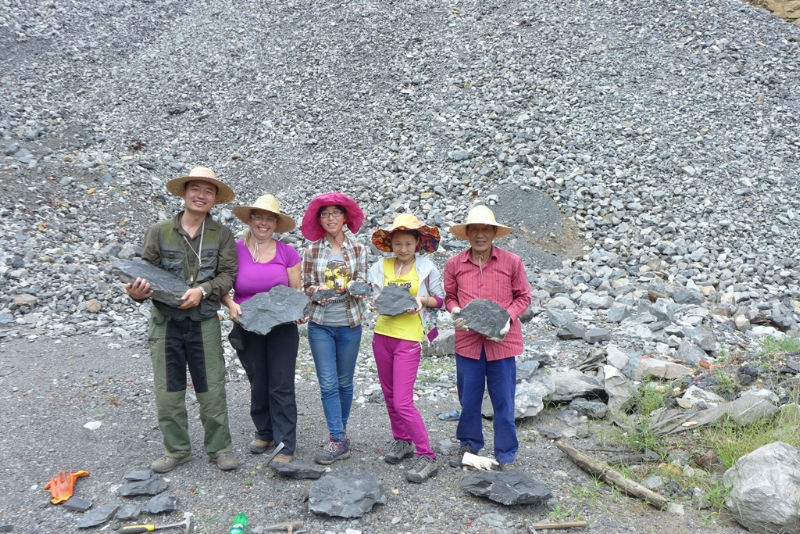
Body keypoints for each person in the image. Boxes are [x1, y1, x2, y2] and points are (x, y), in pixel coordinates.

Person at [124, 166, 239, 472]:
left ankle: (220, 448)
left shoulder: (222, 234)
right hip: (165, 322)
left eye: (208, 191)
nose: (201, 195)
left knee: (211, 387)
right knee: (168, 389)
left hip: (204, 322)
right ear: (185, 193)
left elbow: (228, 275)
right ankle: (176, 450)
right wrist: (137, 293)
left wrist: (204, 290)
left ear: (215, 198)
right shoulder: (159, 231)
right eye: (195, 189)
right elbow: (145, 273)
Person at [443, 205, 531, 470]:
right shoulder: (454, 264)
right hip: (467, 342)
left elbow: (523, 297)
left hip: (502, 343)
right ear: (467, 234)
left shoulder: (512, 261)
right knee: (469, 399)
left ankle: (506, 454)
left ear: (494, 233)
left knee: (503, 400)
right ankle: (469, 444)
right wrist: (454, 310)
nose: (480, 235)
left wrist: (507, 318)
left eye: (485, 230)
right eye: (475, 230)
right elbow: (450, 297)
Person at [221, 194, 302, 463]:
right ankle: (264, 431)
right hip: (247, 324)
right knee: (257, 379)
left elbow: (296, 291)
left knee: (281, 383)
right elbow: (222, 287)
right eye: (259, 217)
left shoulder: (288, 253)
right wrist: (230, 304)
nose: (263, 223)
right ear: (250, 220)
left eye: (270, 218)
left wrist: (298, 312)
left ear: (276, 224)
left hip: (282, 327)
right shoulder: (234, 250)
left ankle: (285, 442)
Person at [367, 214, 444, 483]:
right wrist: (376, 300)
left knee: (402, 401)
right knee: (389, 395)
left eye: (408, 243)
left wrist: (422, 300)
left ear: (417, 243)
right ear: (390, 243)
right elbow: (373, 297)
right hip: (382, 335)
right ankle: (402, 440)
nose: (403, 249)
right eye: (398, 243)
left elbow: (440, 300)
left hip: (409, 338)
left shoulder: (426, 267)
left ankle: (427, 455)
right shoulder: (380, 266)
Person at [300, 193, 369, 465]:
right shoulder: (311, 250)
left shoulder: (358, 249)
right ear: (319, 219)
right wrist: (317, 291)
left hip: (350, 324)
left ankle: (340, 434)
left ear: (344, 217)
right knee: (328, 383)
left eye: (335, 213)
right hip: (321, 325)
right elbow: (306, 285)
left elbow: (364, 282)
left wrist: (355, 287)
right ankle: (337, 437)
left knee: (344, 382)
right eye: (325, 214)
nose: (330, 218)